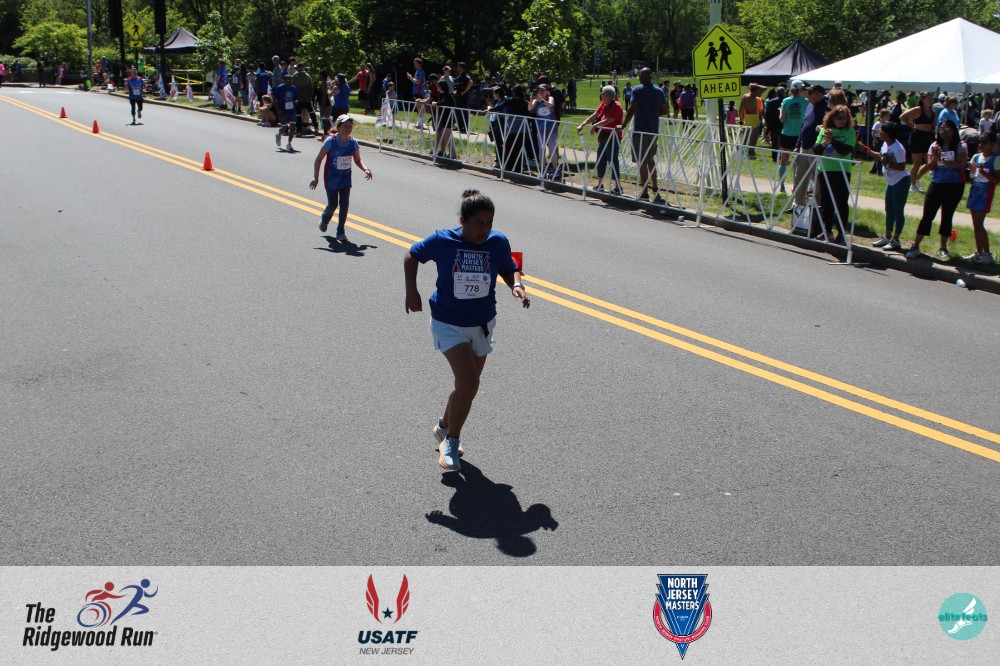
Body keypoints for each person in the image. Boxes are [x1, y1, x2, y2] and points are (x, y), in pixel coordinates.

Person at [403, 190, 530, 472]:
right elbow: (412, 255)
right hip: (448, 322)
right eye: (478, 223)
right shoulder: (443, 240)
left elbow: (508, 265)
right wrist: (412, 291)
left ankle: (443, 427)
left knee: (465, 386)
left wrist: (516, 285)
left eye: (489, 223)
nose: (485, 229)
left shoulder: (497, 241)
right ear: (463, 220)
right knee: (470, 383)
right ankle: (451, 442)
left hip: (482, 323)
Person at [905, 119, 969, 260]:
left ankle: (943, 247)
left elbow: (960, 164)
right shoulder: (934, 145)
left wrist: (944, 161)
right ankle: (915, 245)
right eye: (941, 130)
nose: (943, 132)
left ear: (953, 130)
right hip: (937, 184)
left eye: (946, 129)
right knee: (927, 215)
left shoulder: (961, 146)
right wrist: (935, 157)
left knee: (947, 216)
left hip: (954, 185)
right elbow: (930, 166)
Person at [309, 114, 372, 241]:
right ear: (338, 127)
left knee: (344, 205)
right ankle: (325, 218)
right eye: (345, 126)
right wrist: (316, 177)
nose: (348, 129)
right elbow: (318, 159)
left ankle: (340, 230)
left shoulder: (353, 143)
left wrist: (366, 169)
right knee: (332, 205)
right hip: (331, 178)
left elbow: (358, 160)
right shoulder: (330, 142)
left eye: (350, 126)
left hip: (345, 178)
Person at [810, 105, 856, 244]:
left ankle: (841, 233)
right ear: (832, 118)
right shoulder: (825, 131)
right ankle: (827, 230)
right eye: (839, 118)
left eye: (845, 118)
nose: (842, 121)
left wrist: (832, 140)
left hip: (842, 170)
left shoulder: (849, 132)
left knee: (841, 201)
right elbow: (816, 149)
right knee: (826, 201)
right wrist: (825, 141)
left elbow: (845, 150)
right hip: (825, 170)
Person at [621, 67, 667, 203]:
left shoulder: (637, 90)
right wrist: (653, 113)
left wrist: (624, 124)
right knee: (650, 159)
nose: (639, 78)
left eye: (640, 76)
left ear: (642, 77)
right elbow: (664, 110)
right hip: (653, 130)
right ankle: (655, 188)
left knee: (642, 161)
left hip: (640, 130)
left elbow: (633, 107)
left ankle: (645, 192)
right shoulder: (659, 91)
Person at [865, 121, 910, 251]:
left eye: (882, 131)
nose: (879, 133)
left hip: (900, 181)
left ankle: (896, 240)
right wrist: (866, 150)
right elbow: (881, 157)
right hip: (891, 181)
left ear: (888, 134)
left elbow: (902, 167)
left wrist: (888, 164)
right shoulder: (885, 144)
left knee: (897, 210)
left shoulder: (898, 148)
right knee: (889, 209)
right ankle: (887, 236)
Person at [577, 86, 624, 195]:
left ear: (607, 95)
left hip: (613, 137)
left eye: (602, 94)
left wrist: (595, 126)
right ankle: (600, 184)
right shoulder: (603, 104)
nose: (601, 95)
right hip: (603, 137)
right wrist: (583, 124)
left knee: (612, 160)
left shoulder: (616, 106)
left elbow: (609, 120)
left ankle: (618, 187)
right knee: (601, 159)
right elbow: (595, 115)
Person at [964, 129, 997, 264]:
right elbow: (972, 179)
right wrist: (972, 172)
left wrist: (983, 173)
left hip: (985, 194)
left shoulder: (996, 159)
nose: (980, 144)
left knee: (979, 223)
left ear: (992, 144)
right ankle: (979, 252)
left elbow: (997, 180)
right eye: (980, 142)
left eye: (984, 142)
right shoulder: (976, 157)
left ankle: (987, 254)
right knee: (975, 224)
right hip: (975, 192)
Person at [794, 84, 830, 206]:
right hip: (803, 147)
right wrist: (798, 145)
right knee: (800, 176)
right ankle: (798, 204)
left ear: (820, 94)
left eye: (810, 93)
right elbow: (803, 126)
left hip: (815, 149)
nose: (808, 95)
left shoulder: (826, 109)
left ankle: (817, 206)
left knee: (817, 178)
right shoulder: (809, 106)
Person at [901, 92, 937, 193]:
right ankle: (913, 185)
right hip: (916, 136)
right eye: (928, 99)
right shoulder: (917, 109)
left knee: (929, 163)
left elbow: (933, 126)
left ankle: (916, 178)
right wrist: (912, 125)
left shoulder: (933, 112)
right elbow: (902, 117)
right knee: (916, 163)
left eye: (932, 99)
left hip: (927, 137)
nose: (930, 101)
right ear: (923, 99)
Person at [777, 80, 808, 193]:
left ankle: (782, 185)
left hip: (786, 133)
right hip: (799, 135)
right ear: (801, 89)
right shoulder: (805, 101)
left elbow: (782, 119)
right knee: (797, 162)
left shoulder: (786, 101)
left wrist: (780, 111)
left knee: (783, 161)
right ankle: (796, 185)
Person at [529, 84, 559, 179]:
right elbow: (529, 108)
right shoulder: (535, 100)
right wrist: (531, 99)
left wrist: (541, 100)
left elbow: (550, 105)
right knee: (541, 149)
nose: (540, 92)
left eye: (542, 90)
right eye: (539, 91)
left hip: (551, 128)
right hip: (541, 128)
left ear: (547, 91)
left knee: (551, 148)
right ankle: (542, 170)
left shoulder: (550, 98)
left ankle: (555, 169)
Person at [272, 74, 298, 152]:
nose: (288, 81)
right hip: (282, 110)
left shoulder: (294, 88)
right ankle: (279, 134)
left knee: (293, 126)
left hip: (292, 110)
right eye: (286, 80)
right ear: (283, 80)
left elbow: (295, 98)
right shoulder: (279, 88)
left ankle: (289, 143)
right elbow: (274, 99)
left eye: (290, 80)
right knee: (284, 127)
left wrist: (296, 101)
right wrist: (277, 109)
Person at [739, 83, 766, 158]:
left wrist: (741, 119)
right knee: (754, 137)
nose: (760, 92)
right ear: (755, 90)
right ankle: (750, 152)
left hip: (746, 117)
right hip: (753, 117)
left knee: (746, 136)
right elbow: (765, 88)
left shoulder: (744, 96)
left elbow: (740, 109)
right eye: (758, 90)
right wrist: (757, 86)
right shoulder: (753, 96)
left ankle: (742, 151)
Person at [432, 80, 457, 159]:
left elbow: (444, 103)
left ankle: (453, 153)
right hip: (443, 117)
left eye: (438, 86)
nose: (437, 87)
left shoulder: (447, 95)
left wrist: (436, 103)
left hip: (448, 117)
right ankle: (447, 152)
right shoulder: (441, 95)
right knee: (445, 136)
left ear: (441, 86)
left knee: (447, 136)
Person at [291, 61, 316, 136]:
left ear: (298, 68)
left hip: (298, 99)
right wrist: (310, 96)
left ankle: (299, 130)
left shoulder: (294, 76)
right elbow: (311, 87)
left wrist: (293, 98)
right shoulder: (308, 76)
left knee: (298, 114)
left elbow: (292, 87)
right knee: (311, 112)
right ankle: (316, 127)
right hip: (306, 98)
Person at [453, 62, 473, 134]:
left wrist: (464, 91)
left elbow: (470, 82)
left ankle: (465, 127)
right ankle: (460, 126)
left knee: (463, 111)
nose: (457, 68)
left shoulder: (465, 75)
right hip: (457, 96)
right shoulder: (459, 75)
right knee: (458, 111)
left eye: (458, 66)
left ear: (461, 67)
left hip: (463, 96)